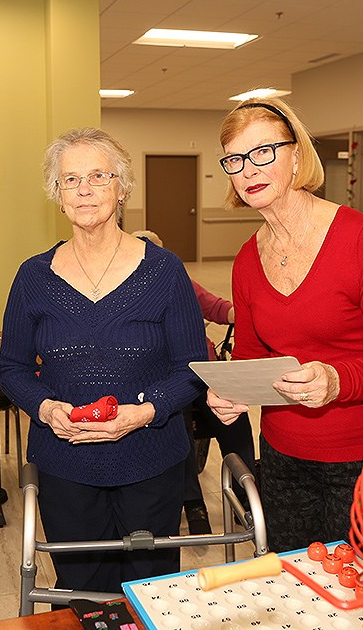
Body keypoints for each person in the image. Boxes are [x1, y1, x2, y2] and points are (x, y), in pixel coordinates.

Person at [204, 98, 363, 554]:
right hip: (286, 454)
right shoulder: (248, 259)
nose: (248, 169)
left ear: (297, 155)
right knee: (292, 590)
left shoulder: (362, 239)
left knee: (360, 595)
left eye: (263, 151)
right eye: (234, 159)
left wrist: (337, 379)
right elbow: (252, 355)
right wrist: (232, 391)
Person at [0, 128, 207, 595]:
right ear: (58, 195)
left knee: (152, 593)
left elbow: (193, 366)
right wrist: (47, 410)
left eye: (98, 176)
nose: (85, 189)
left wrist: (146, 412)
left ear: (122, 188)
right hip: (65, 465)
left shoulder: (165, 270)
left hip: (151, 461)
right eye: (71, 180)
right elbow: (11, 368)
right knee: (82, 590)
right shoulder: (33, 276)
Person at [132, 229, 256, 536]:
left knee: (236, 417)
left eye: (154, 251)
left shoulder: (177, 280)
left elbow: (216, 307)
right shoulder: (127, 292)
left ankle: (249, 497)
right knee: (178, 422)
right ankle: (193, 503)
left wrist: (250, 314)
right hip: (165, 380)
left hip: (204, 370)